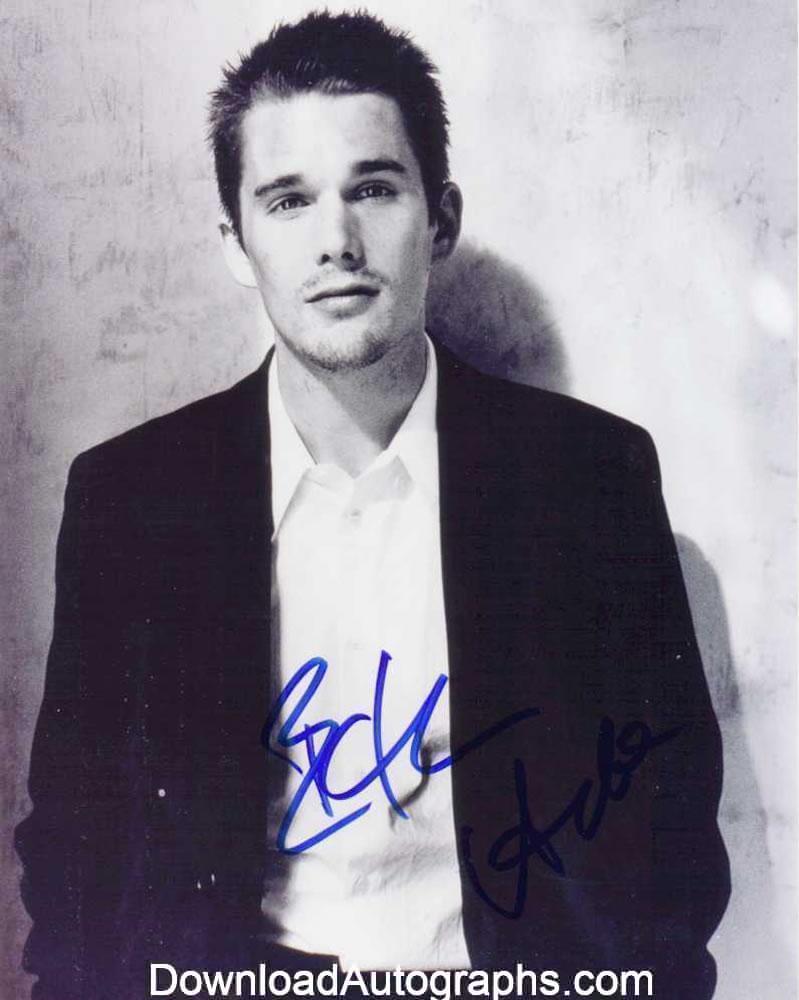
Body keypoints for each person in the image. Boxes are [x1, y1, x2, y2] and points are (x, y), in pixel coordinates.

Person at [16, 10, 730, 1000]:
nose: (336, 242)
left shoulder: (589, 480)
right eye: (288, 200)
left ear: (440, 218)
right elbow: (75, 851)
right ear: (236, 243)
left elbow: (668, 844)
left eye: (373, 189)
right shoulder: (133, 500)